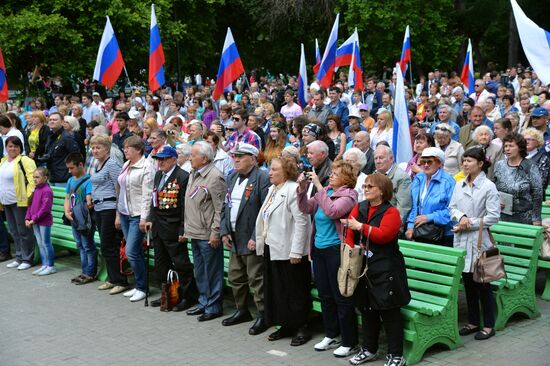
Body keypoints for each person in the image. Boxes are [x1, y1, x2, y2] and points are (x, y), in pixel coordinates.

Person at [344, 173, 410, 366]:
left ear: (381, 190)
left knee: (389, 311)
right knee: (366, 309)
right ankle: (369, 349)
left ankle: (396, 355)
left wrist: (361, 227)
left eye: (369, 187)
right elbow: (349, 229)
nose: (365, 189)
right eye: (364, 186)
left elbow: (384, 236)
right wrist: (351, 250)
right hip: (364, 266)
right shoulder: (360, 206)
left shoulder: (391, 212)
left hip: (386, 268)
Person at [297, 160, 359, 357]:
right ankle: (332, 334)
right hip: (319, 249)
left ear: (346, 179)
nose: (331, 175)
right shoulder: (327, 192)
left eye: (335, 173)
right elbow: (306, 208)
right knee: (325, 295)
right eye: (331, 172)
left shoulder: (349, 195)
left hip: (336, 251)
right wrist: (302, 189)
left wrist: (318, 186)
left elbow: (333, 211)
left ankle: (350, 341)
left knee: (341, 296)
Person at [255, 156, 312, 346]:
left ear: (286, 171)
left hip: (290, 251)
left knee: (295, 290)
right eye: (270, 169)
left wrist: (297, 251)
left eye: (274, 170)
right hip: (273, 247)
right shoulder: (273, 189)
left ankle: (302, 327)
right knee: (278, 289)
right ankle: (286, 324)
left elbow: (302, 222)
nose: (269, 173)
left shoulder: (293, 189)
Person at [449, 147, 500, 341]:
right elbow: (452, 207)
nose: (465, 164)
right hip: (462, 240)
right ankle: (472, 322)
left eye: (469, 161)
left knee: (483, 284)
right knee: (468, 283)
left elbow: (494, 216)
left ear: (480, 163)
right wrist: (460, 216)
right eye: (464, 161)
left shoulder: (488, 186)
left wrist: (468, 222)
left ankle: (488, 325)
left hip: (481, 242)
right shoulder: (459, 184)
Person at [220, 143, 270, 334]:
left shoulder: (262, 177)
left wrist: (256, 237)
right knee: (235, 277)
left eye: (241, 156)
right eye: (235, 156)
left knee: (256, 279)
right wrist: (224, 230)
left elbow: (264, 210)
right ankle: (242, 310)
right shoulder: (232, 176)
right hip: (233, 236)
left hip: (251, 238)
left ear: (253, 158)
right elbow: (226, 205)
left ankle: (263, 315)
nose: (236, 159)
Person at [146, 145, 197, 311]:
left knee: (181, 264)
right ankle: (169, 295)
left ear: (174, 160)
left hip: (174, 227)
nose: (160, 162)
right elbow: (154, 199)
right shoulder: (159, 175)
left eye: (164, 159)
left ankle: (188, 296)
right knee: (162, 265)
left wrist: (184, 229)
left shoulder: (182, 176)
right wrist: (150, 219)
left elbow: (184, 206)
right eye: (158, 159)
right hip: (159, 227)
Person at [184, 141, 227, 321]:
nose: (190, 158)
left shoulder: (215, 177)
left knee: (212, 271)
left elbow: (220, 208)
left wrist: (215, 232)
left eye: (193, 155)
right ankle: (203, 302)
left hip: (207, 233)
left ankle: (214, 305)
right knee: (200, 270)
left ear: (204, 158)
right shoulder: (194, 173)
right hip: (194, 231)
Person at [115, 136, 155, 302]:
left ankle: (142, 286)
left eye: (128, 148)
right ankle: (139, 285)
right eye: (124, 148)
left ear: (138, 150)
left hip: (138, 215)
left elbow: (147, 194)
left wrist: (144, 218)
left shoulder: (147, 166)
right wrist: (118, 214)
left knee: (131, 251)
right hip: (125, 213)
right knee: (134, 251)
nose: (125, 150)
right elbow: (120, 190)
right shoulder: (126, 165)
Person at [89, 135, 129, 294]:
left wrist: (119, 214)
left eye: (98, 147)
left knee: (109, 245)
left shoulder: (112, 164)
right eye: (93, 147)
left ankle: (121, 281)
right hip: (99, 208)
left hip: (110, 208)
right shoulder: (98, 164)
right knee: (106, 245)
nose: (95, 150)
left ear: (107, 149)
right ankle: (112, 278)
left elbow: (119, 189)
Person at [406, 147, 456, 246]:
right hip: (420, 231)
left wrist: (429, 217)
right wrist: (410, 226)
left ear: (439, 163)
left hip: (443, 234)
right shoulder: (419, 178)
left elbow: (452, 210)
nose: (425, 165)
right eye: (423, 161)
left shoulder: (448, 181)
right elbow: (414, 205)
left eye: (429, 162)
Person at [1, 136, 36, 270]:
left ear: (20, 147)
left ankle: (27, 258)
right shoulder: (3, 161)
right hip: (6, 201)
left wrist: (28, 198)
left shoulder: (25, 160)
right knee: (14, 231)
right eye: (10, 146)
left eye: (15, 146)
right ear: (6, 147)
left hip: (20, 201)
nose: (13, 148)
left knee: (24, 231)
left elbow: (33, 181)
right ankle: (19, 256)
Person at [493, 133, 542, 225]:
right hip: (502, 215)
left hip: (524, 217)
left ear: (520, 147)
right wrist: (495, 200)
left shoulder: (530, 166)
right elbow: (492, 187)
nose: (507, 149)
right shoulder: (499, 165)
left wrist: (536, 218)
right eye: (505, 146)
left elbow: (537, 193)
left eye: (511, 146)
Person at [64, 153, 96, 285]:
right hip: (74, 218)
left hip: (85, 219)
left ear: (81, 165)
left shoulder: (89, 180)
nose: (69, 171)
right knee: (80, 245)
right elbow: (67, 197)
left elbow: (90, 200)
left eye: (72, 168)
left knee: (88, 246)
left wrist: (89, 201)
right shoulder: (71, 181)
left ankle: (90, 273)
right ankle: (84, 272)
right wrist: (66, 211)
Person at [374, 145, 412, 229]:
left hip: (391, 224)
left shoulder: (402, 177)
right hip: (374, 222)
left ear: (391, 159)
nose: (378, 161)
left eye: (381, 158)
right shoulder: (373, 175)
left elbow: (403, 207)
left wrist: (393, 226)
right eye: (375, 158)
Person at [25, 167, 55, 275]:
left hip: (44, 222)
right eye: (33, 177)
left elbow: (45, 209)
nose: (34, 179)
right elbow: (30, 205)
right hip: (35, 221)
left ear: (45, 178)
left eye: (37, 177)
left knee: (46, 243)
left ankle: (50, 266)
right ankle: (44, 264)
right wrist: (27, 218)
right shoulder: (36, 189)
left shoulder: (47, 191)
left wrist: (34, 219)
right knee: (40, 243)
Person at [43, 112, 80, 185]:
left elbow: (76, 156)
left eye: (55, 120)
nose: (52, 121)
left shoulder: (67, 137)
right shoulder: (51, 135)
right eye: (50, 120)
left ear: (62, 122)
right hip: (51, 176)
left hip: (63, 179)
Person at [523, 128, 550, 195]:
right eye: (525, 139)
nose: (527, 142)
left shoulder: (543, 159)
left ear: (538, 142)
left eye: (530, 139)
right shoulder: (517, 156)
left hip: (534, 198)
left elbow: (540, 182)